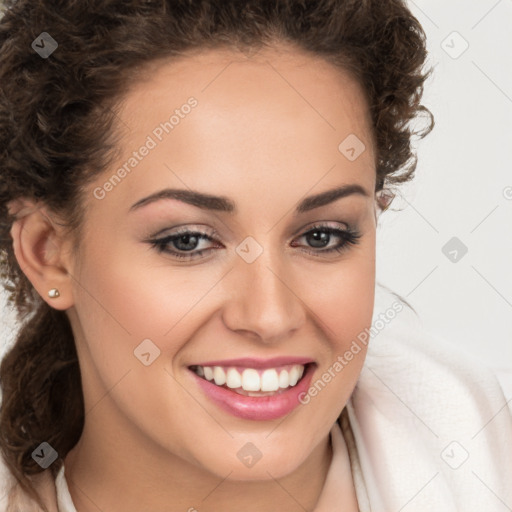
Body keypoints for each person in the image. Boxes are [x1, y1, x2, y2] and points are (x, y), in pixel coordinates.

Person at [0, 1, 510, 511]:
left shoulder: (484, 454)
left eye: (321, 236)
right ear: (49, 254)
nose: (270, 316)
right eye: (189, 241)